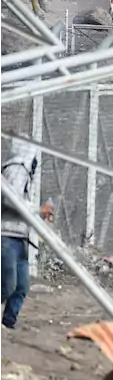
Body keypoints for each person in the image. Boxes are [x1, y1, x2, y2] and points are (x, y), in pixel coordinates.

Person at [0, 141, 53, 332]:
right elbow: (10, 200)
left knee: (21, 287)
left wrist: (37, 215)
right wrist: (38, 210)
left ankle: (7, 325)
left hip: (19, 237)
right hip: (6, 236)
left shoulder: (24, 175)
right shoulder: (16, 169)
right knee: (7, 286)